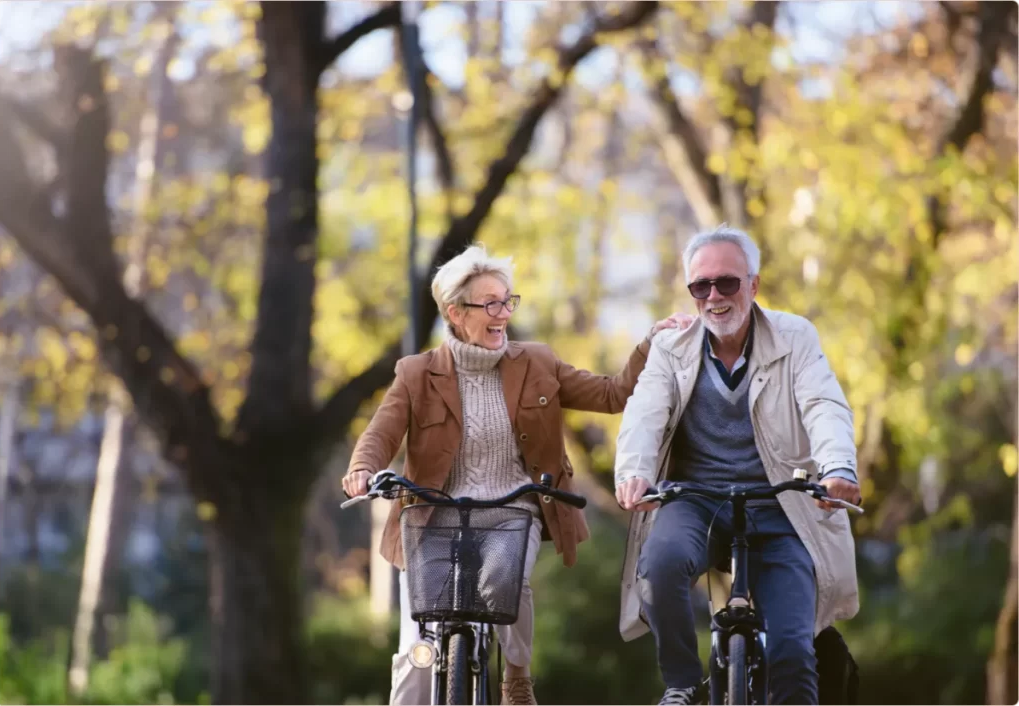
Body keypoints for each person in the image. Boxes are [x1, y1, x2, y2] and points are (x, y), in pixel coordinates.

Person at [343, 244, 691, 706]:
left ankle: (516, 677)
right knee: (416, 648)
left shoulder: (538, 362)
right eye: (489, 303)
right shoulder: (416, 373)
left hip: (512, 509)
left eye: (508, 301)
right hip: (432, 515)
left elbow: (612, 394)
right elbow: (380, 435)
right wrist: (363, 470)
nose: (502, 313)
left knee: (509, 584)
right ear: (455, 312)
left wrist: (650, 342)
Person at [613, 225, 862, 705]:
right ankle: (684, 684)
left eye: (727, 282)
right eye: (700, 286)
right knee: (660, 565)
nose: (713, 297)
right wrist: (633, 473)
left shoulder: (795, 337)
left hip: (780, 503)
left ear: (754, 285)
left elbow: (823, 405)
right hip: (694, 500)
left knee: (793, 650)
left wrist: (839, 468)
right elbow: (644, 412)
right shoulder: (671, 348)